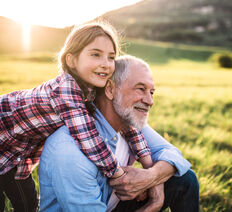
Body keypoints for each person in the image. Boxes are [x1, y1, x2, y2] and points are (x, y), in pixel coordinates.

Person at [0, 22, 154, 212]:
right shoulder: (66, 89)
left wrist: (148, 165)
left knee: (28, 203)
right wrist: (122, 177)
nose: (105, 64)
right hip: (3, 137)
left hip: (17, 154)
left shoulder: (93, 87)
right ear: (72, 61)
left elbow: (127, 124)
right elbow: (89, 139)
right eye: (96, 54)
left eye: (111, 57)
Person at [39, 55, 199, 212]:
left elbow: (176, 156)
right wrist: (150, 207)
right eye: (141, 89)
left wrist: (150, 177)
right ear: (110, 89)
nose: (150, 101)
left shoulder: (129, 123)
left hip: (112, 205)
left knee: (185, 179)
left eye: (151, 92)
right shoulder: (69, 150)